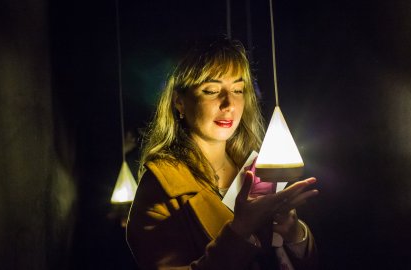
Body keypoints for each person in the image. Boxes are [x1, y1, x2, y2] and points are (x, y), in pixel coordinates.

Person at [126, 37, 319, 269]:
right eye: (211, 90)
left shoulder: (258, 167)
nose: (229, 104)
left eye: (238, 89)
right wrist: (240, 230)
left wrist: (294, 233)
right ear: (179, 102)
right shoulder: (162, 185)